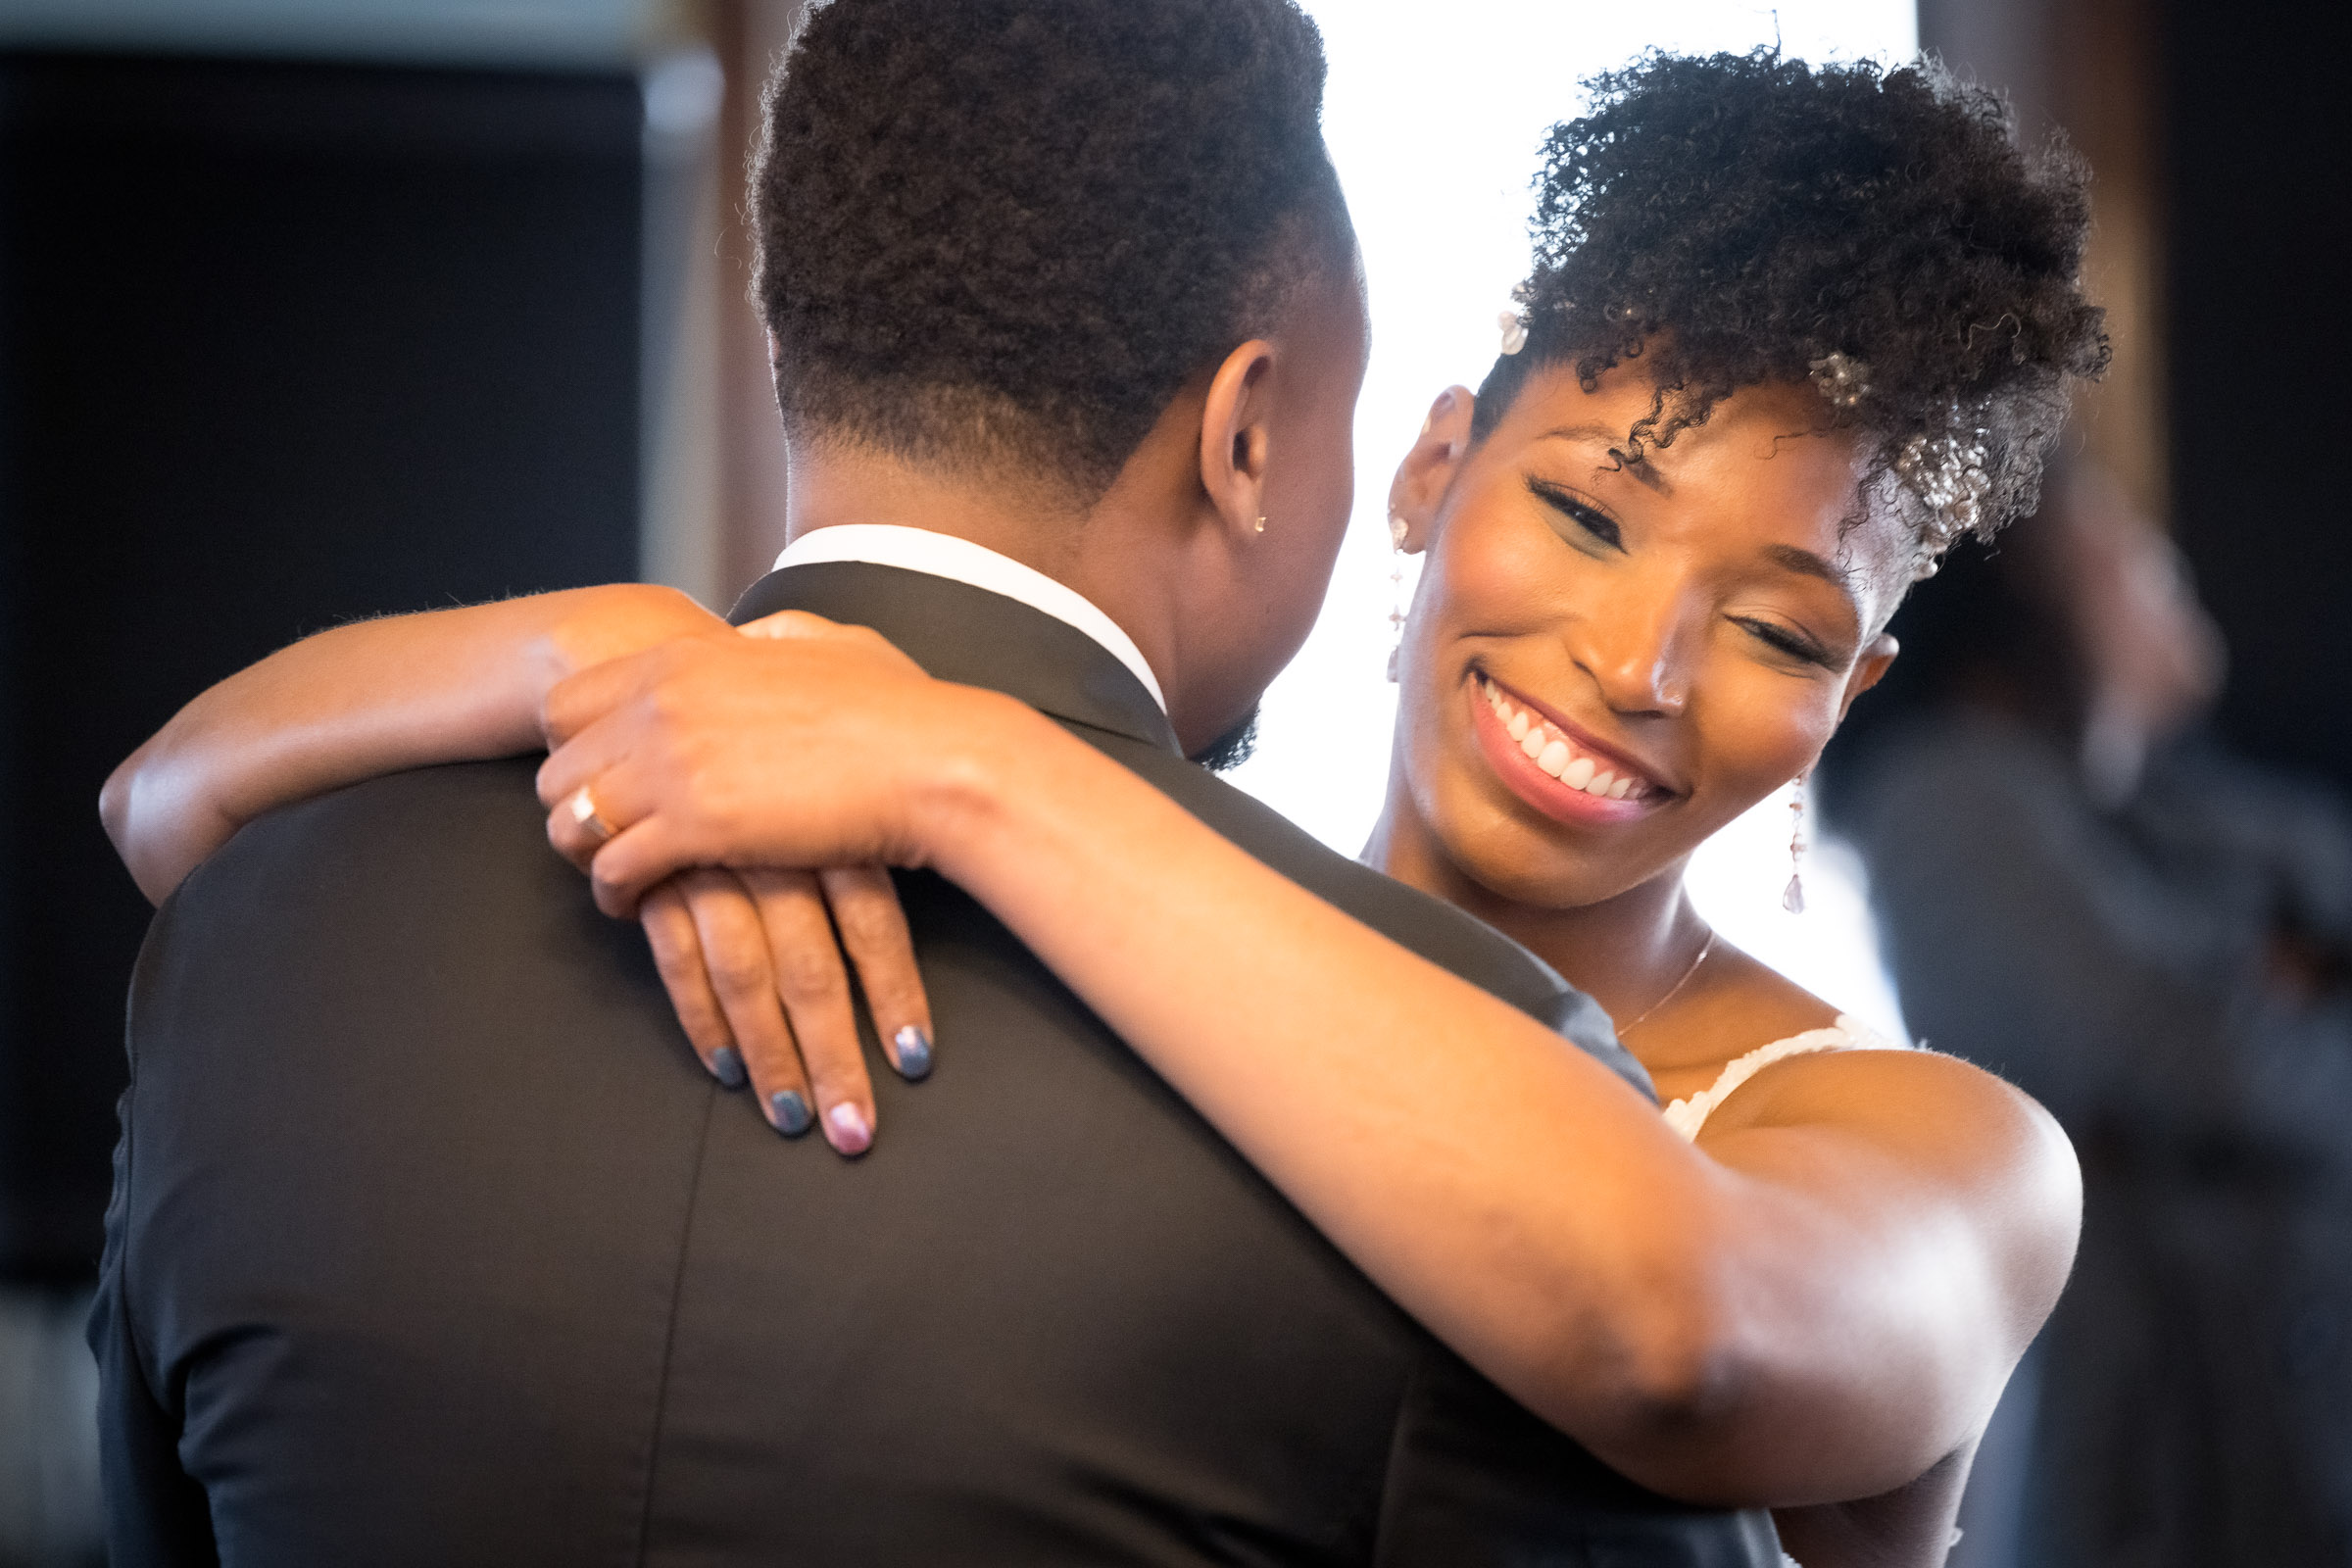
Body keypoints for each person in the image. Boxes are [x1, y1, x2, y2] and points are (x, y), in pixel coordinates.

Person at [104, 44, 2104, 1568]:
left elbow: (1688, 1324)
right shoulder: (1137, 938)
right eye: (1583, 511)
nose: (1638, 662)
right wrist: (609, 648)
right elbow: (166, 797)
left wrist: (951, 754)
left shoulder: (1941, 1148)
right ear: (1421, 473)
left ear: (1860, 690)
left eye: (1776, 624)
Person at [1819, 464, 2352, 1566]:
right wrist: (2264, 989)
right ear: (2031, 575)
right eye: (2112, 532)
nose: (2154, 562)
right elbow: (2187, 1049)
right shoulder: (1950, 795)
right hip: (2153, 1459)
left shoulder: (2155, 797)